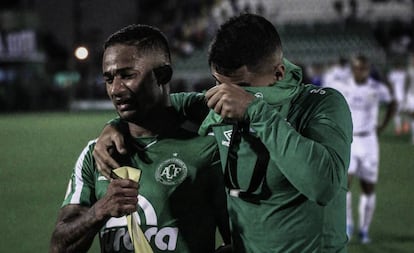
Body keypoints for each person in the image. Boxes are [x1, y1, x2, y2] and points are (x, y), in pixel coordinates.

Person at [94, 14, 353, 252]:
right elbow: (157, 106)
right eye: (220, 85)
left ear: (279, 73)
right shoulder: (219, 105)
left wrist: (256, 111)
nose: (229, 97)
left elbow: (323, 185)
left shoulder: (320, 105)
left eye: (241, 87)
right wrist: (114, 126)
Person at [50, 24, 230, 253]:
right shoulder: (97, 153)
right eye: (108, 78)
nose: (115, 89)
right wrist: (99, 210)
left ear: (163, 75)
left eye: (127, 75)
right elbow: (58, 247)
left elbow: (238, 241)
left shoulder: (208, 150)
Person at [327, 55, 396, 244]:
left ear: (368, 69)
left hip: (369, 141)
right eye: (357, 68)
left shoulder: (377, 88)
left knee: (368, 188)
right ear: (352, 69)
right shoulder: (342, 85)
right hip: (350, 141)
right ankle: (348, 224)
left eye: (364, 68)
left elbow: (393, 103)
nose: (360, 72)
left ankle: (364, 229)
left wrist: (382, 126)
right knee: (345, 185)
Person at [387, 59, 409, 135]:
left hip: (401, 95)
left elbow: (391, 85)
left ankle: (400, 127)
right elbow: (391, 85)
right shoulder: (398, 74)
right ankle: (402, 126)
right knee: (401, 111)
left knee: (398, 112)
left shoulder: (398, 74)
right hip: (399, 95)